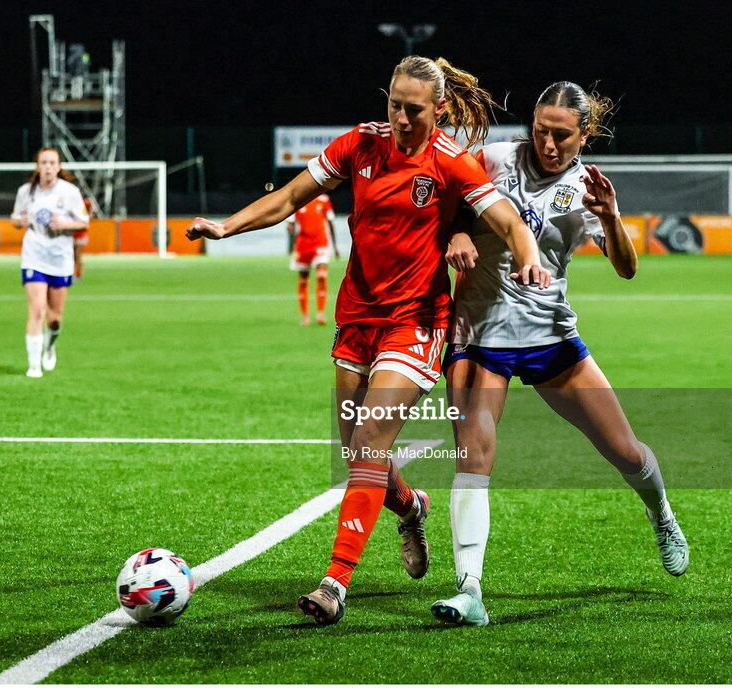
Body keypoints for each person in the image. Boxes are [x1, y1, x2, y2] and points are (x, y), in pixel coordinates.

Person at [186, 55, 551, 626]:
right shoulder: (360, 144)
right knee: (357, 446)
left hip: (416, 320)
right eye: (394, 105)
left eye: (413, 109)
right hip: (358, 318)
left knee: (372, 436)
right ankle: (409, 506)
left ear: (439, 109)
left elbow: (508, 222)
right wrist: (225, 225)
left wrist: (529, 259)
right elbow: (288, 198)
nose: (401, 118)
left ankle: (335, 583)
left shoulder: (451, 163)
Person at [434, 81, 689, 626]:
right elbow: (451, 200)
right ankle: (469, 590)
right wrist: (458, 233)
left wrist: (613, 217)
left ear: (585, 134)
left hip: (551, 337)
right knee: (473, 456)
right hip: (479, 335)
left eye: (562, 136)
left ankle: (660, 512)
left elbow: (626, 268)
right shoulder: (495, 157)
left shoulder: (587, 187)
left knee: (625, 452)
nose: (549, 145)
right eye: (541, 132)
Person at [10, 148, 89, 378]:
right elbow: (14, 218)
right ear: (38, 166)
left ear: (58, 166)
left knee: (54, 318)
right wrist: (19, 221)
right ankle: (34, 365)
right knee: (36, 310)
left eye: (52, 163)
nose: (47, 167)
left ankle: (50, 345)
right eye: (43, 162)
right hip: (34, 255)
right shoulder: (26, 191)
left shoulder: (70, 192)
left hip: (60, 258)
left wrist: (63, 224)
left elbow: (84, 222)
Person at [286, 193, 340, 325]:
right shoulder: (298, 200)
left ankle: (320, 314)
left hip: (320, 243)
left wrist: (335, 246)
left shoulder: (324, 200)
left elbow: (331, 222)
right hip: (303, 245)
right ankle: (305, 316)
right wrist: (290, 229)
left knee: (321, 276)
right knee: (303, 281)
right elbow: (290, 222)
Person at [74, 196, 95, 280]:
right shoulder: (77, 205)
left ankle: (78, 274)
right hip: (75, 235)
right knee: (74, 256)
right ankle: (74, 273)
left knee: (78, 255)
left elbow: (90, 215)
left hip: (81, 235)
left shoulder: (85, 204)